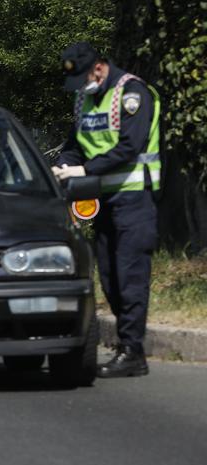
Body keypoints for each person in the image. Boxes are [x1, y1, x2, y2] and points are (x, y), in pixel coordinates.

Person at [53, 41, 161, 378]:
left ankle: (133, 351)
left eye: (84, 78)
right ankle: (128, 346)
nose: (80, 87)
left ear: (98, 67)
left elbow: (130, 146)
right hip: (103, 199)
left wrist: (85, 170)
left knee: (130, 276)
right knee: (110, 276)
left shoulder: (132, 94)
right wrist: (63, 164)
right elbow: (74, 144)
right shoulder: (84, 97)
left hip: (134, 199)